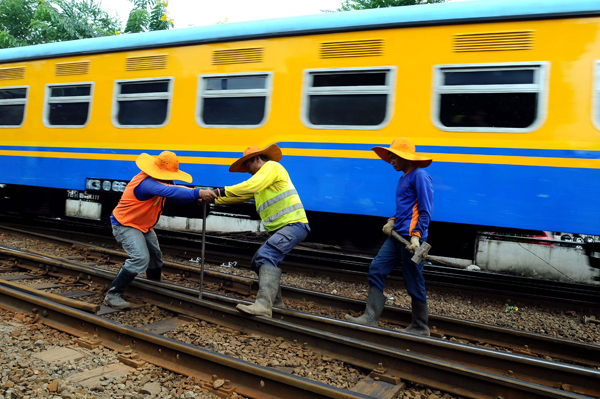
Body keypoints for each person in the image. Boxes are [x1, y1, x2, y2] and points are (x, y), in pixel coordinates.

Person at [199, 144, 310, 318]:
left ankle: (264, 305)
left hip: (293, 225)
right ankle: (275, 302)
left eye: (248, 166)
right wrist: (212, 200)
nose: (247, 171)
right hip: (285, 228)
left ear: (257, 159)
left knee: (265, 256)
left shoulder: (272, 167)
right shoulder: (262, 182)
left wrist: (218, 191)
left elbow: (249, 186)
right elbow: (239, 196)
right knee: (258, 261)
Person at [345, 137, 433, 336]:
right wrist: (392, 220)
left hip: (411, 240)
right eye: (391, 157)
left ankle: (420, 326)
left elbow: (425, 209)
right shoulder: (404, 177)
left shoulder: (420, 176)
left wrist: (416, 236)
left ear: (405, 157)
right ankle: (370, 317)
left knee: (413, 280)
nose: (391, 160)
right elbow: (406, 209)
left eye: (394, 157)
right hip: (396, 238)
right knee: (376, 268)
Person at [104, 151, 203, 309]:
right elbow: (170, 191)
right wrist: (197, 192)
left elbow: (174, 195)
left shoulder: (163, 181)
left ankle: (154, 288)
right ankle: (113, 295)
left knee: (155, 257)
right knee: (140, 258)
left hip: (143, 225)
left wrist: (194, 198)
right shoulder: (147, 183)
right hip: (126, 224)